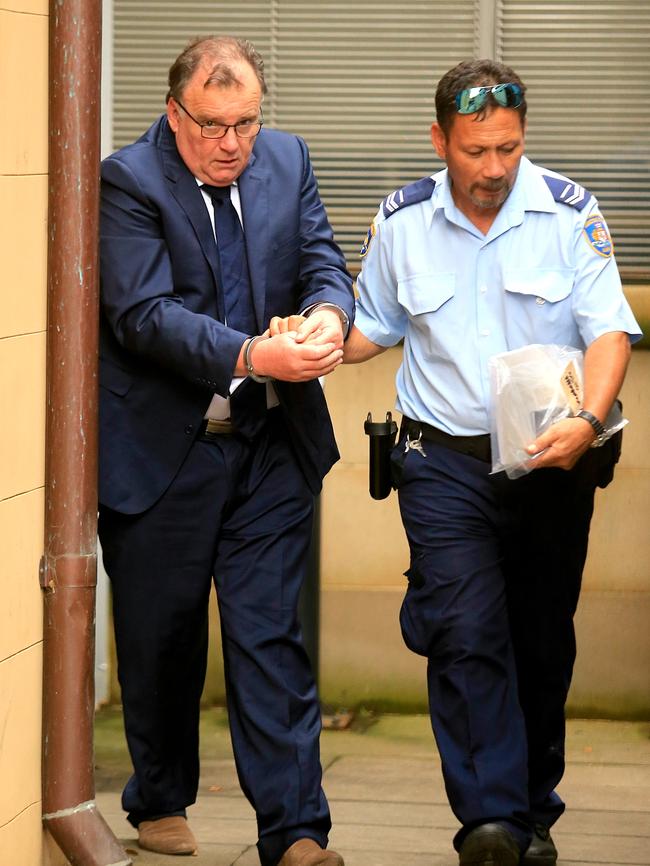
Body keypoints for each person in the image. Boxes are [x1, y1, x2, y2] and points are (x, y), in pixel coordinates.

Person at [341, 59, 642, 866]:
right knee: (465, 630)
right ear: (440, 140)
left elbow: (609, 330)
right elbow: (366, 326)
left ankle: (533, 807)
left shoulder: (568, 212)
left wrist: (587, 420)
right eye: (475, 151)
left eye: (508, 148)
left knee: (541, 639)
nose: (493, 169)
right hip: (442, 462)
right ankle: (492, 823)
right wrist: (302, 338)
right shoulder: (402, 222)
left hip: (552, 457)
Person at [98, 35, 353, 866]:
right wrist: (251, 355)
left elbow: (322, 261)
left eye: (245, 122)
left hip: (272, 444)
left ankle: (296, 830)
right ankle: (159, 799)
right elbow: (143, 314)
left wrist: (326, 318)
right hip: (165, 451)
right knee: (161, 636)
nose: (231, 144)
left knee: (271, 633)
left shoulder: (288, 160)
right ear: (176, 115)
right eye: (212, 125)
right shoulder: (128, 181)